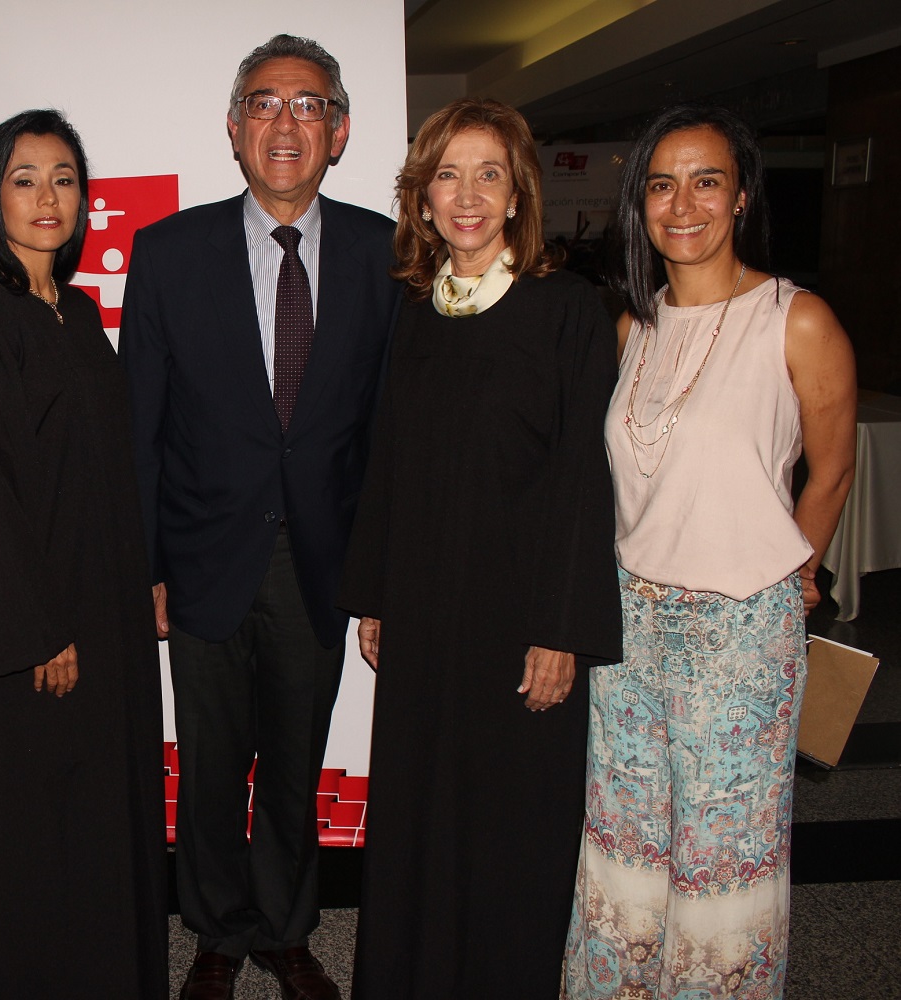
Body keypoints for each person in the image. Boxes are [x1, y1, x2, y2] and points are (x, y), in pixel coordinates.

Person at [120, 35, 400, 1000]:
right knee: (207, 767)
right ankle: (214, 932)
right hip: (201, 559)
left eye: (309, 105)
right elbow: (139, 428)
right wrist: (145, 565)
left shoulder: (384, 254)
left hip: (324, 563)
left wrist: (382, 576)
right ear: (235, 128)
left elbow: (392, 434)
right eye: (266, 103)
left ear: (340, 129)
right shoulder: (167, 253)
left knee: (293, 761)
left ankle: (284, 929)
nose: (287, 123)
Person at [562, 103, 856, 1000]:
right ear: (639, 202)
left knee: (725, 859)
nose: (681, 203)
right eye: (661, 183)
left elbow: (833, 467)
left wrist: (795, 571)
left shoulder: (795, 319)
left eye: (706, 181)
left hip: (738, 635)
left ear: (740, 197)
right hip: (629, 628)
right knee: (625, 842)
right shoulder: (631, 329)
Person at [335, 97, 623, 999]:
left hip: (520, 621)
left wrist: (562, 630)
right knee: (422, 819)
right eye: (446, 176)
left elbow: (585, 477)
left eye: (487, 174)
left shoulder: (568, 309)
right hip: (423, 615)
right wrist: (375, 591)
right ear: (421, 200)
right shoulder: (414, 309)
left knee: (510, 830)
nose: (466, 195)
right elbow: (387, 456)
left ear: (516, 194)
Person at [0, 109, 168, 1000]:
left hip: (103, 620)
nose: (47, 197)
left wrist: (141, 579)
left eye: (64, 178)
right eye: (24, 178)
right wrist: (36, 632)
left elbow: (105, 472)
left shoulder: (76, 312)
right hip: (34, 639)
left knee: (98, 829)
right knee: (30, 844)